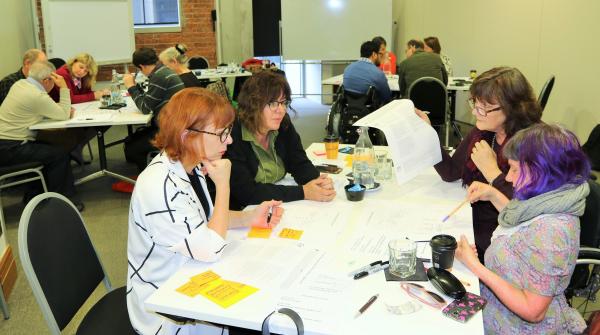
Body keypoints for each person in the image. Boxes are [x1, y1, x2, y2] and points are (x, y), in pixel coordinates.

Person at [126, 88, 283, 335]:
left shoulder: (192, 165)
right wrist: (223, 185)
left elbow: (205, 220)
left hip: (192, 275)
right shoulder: (159, 187)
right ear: (187, 135)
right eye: (222, 134)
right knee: (263, 318)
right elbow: (210, 246)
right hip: (168, 309)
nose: (229, 141)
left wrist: (249, 217)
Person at [455, 123, 589, 334]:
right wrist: (494, 195)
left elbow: (533, 311)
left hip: (517, 326)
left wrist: (476, 267)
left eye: (515, 169)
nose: (508, 178)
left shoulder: (553, 232)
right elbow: (524, 225)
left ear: (543, 172)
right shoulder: (551, 197)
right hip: (495, 305)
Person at [415, 67, 542, 262]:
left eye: (483, 108)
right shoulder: (484, 131)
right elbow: (450, 172)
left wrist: (492, 172)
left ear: (511, 108)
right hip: (473, 223)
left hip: (505, 243)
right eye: (474, 103)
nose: (475, 112)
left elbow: (526, 213)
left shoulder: (533, 143)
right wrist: (428, 133)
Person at [225, 71, 336, 210]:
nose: (281, 110)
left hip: (275, 205)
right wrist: (304, 192)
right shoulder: (231, 137)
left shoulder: (283, 124)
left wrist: (316, 181)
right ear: (252, 104)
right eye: (273, 103)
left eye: (284, 103)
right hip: (244, 212)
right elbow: (246, 192)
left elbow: (299, 162)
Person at [0, 61, 83, 210]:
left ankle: (34, 196)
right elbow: (64, 114)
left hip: (6, 144)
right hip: (10, 148)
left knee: (48, 150)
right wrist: (63, 87)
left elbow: (37, 111)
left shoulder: (20, 85)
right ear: (46, 80)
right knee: (59, 154)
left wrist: (57, 110)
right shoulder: (36, 94)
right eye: (54, 79)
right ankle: (62, 202)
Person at [122, 47, 185, 172]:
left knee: (131, 148)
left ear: (141, 66)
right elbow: (148, 100)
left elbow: (145, 108)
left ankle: (148, 179)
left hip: (170, 131)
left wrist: (130, 86)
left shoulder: (159, 76)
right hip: (176, 124)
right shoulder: (163, 71)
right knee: (132, 139)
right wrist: (136, 87)